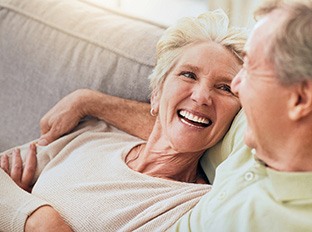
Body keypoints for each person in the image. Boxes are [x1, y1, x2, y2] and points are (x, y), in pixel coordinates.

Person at [27, 0, 312, 231]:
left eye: (250, 68)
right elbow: (181, 126)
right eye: (188, 75)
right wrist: (89, 102)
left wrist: (37, 220)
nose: (238, 86)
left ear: (300, 99)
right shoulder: (257, 136)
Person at [0, 10, 247, 231]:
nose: (202, 96)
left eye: (224, 88)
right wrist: (32, 216)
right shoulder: (94, 133)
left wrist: (29, 213)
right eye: (188, 74)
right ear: (156, 94)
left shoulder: (195, 208)